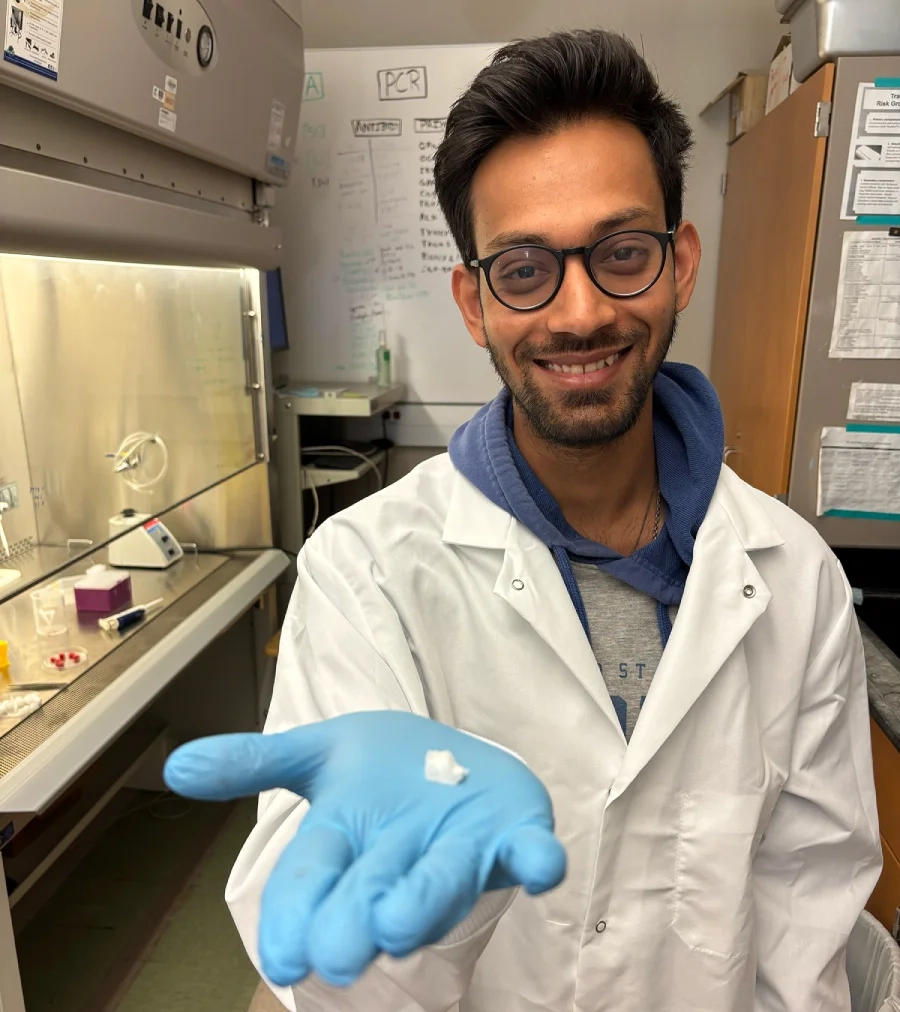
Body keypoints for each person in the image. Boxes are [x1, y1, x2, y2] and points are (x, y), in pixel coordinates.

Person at [165, 29, 882, 1012]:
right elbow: (331, 986)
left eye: (621, 252)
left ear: (680, 264)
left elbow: (805, 928)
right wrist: (436, 883)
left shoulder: (796, 578)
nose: (580, 313)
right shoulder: (365, 575)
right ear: (474, 302)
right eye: (524, 269)